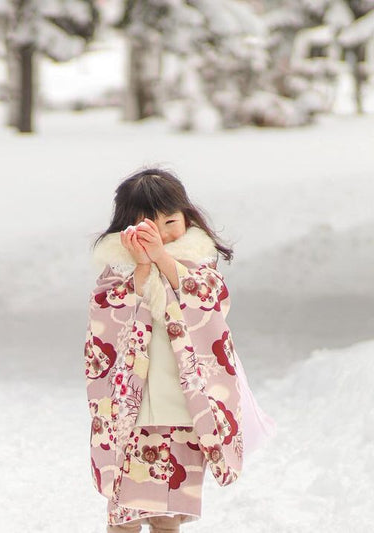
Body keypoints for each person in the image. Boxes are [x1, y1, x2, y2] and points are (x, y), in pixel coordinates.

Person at [84, 168, 273, 533]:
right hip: (130, 414)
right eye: (147, 225)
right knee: (124, 516)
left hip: (184, 413)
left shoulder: (199, 266)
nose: (163, 232)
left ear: (187, 217)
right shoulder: (116, 273)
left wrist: (163, 259)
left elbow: (209, 308)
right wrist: (141, 267)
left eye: (170, 221)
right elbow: (103, 323)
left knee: (168, 517)